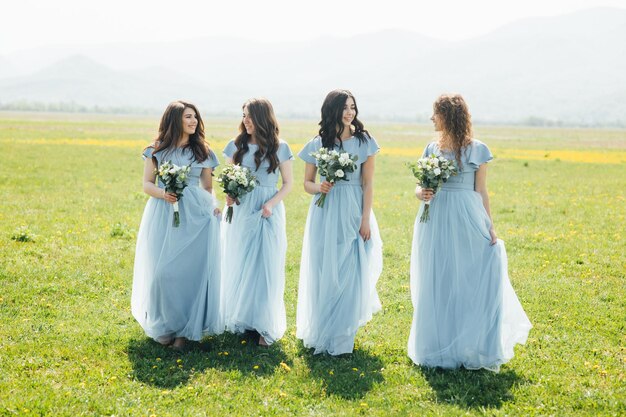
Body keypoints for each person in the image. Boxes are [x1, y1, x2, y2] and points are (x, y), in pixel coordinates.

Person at [407, 93, 532, 371]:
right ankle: (437, 345)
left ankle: (472, 343)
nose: (431, 119)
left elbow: (481, 191)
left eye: (435, 113)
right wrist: (421, 193)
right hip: (436, 216)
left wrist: (489, 225)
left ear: (448, 116)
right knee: (437, 277)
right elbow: (419, 186)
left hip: (466, 217)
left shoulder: (478, 149)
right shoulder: (430, 148)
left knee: (467, 276)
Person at [296, 89, 383, 355]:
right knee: (325, 267)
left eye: (353, 107)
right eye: (345, 107)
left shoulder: (364, 141)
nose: (350, 112)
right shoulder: (318, 143)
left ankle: (344, 334)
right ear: (332, 110)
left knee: (350, 268)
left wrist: (365, 218)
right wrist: (319, 187)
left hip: (353, 208)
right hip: (325, 209)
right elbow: (306, 183)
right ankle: (323, 327)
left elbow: (368, 183)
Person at [131, 100, 223, 351]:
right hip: (163, 213)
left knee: (188, 275)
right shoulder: (156, 151)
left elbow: (207, 187)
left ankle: (184, 332)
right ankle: (164, 325)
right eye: (188, 117)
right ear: (175, 120)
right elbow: (147, 184)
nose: (193, 121)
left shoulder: (203, 151)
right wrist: (164, 194)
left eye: (195, 117)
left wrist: (213, 206)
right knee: (162, 273)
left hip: (197, 216)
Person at [221, 98, 293, 347]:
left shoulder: (279, 147)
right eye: (243, 116)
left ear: (263, 117)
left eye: (250, 116)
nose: (245, 121)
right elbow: (227, 178)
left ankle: (264, 324)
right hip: (241, 208)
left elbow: (288, 184)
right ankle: (242, 318)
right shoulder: (236, 145)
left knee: (265, 264)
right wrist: (229, 193)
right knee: (240, 260)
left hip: (267, 208)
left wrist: (271, 204)